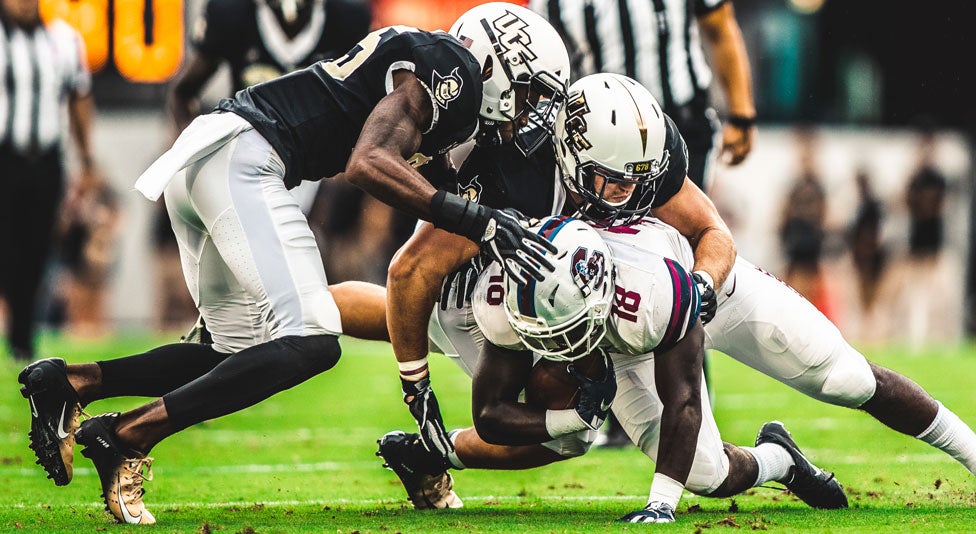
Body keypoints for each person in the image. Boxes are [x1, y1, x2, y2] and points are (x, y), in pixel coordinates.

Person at [18, 3, 569, 524]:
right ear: (494, 61)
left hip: (212, 155)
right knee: (313, 338)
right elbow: (369, 163)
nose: (523, 112)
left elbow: (429, 186)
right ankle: (129, 435)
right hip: (243, 158)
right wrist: (481, 221)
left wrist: (485, 218)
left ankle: (72, 382)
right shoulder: (453, 71)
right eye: (525, 93)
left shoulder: (444, 92)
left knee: (235, 352)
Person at [379, 73, 976, 515]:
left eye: (639, 178)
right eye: (613, 180)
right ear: (569, 156)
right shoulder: (513, 179)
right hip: (613, 318)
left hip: (682, 284)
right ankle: (779, 460)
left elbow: (713, 233)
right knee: (706, 474)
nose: (628, 193)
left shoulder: (638, 170)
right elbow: (417, 269)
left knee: (845, 378)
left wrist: (701, 288)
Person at [529, 0, 756, 189]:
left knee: (686, 232)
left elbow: (719, 27)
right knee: (613, 236)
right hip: (598, 132)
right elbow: (541, 58)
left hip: (680, 124)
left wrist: (741, 113)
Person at [0, 0, 98, 362]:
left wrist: (87, 161)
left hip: (46, 161)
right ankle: (18, 333)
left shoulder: (65, 40)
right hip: (3, 158)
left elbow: (79, 100)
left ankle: (22, 339)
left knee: (37, 251)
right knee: (7, 251)